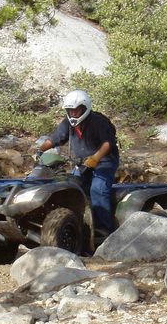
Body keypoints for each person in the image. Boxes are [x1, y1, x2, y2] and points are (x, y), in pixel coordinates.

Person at [36, 90, 119, 235]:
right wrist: (39, 150)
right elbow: (55, 139)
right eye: (70, 110)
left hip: (105, 161)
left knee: (98, 190)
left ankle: (104, 229)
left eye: (76, 110)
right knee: (71, 187)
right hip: (82, 164)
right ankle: (77, 225)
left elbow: (108, 144)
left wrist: (95, 158)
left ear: (85, 108)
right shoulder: (68, 124)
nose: (73, 113)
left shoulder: (98, 122)